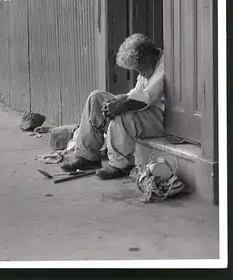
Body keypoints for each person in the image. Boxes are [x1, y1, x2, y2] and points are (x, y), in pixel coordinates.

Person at [61, 33, 165, 179]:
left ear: (148, 58)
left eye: (140, 69)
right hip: (145, 110)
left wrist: (121, 105)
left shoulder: (165, 65)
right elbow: (135, 93)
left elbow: (147, 97)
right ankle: (87, 156)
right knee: (96, 98)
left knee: (124, 112)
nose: (140, 73)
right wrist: (114, 102)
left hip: (161, 117)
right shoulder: (148, 66)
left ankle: (121, 165)